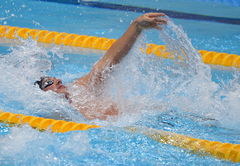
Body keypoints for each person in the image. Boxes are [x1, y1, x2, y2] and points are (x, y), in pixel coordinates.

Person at [35, 13, 167, 120]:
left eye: (55, 78)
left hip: (154, 117)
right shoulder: (54, 114)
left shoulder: (81, 88)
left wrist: (136, 27)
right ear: (42, 94)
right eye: (49, 82)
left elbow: (109, 62)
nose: (58, 80)